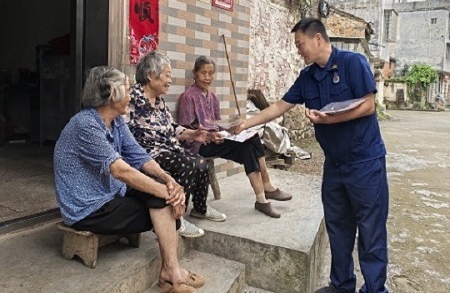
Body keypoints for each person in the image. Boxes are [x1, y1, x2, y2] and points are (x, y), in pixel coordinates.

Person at [229, 18, 389, 293]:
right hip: (335, 166)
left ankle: (375, 289)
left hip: (365, 162)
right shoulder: (307, 77)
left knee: (371, 230)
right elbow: (280, 105)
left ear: (317, 39)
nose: (298, 50)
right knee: (338, 227)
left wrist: (329, 120)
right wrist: (247, 123)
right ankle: (341, 286)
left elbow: (368, 106)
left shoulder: (353, 63)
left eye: (300, 44)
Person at [54, 66, 204, 293]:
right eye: (126, 89)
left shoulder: (116, 122)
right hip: (87, 207)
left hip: (112, 192)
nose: (131, 94)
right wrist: (165, 192)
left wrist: (167, 180)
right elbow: (121, 171)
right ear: (111, 93)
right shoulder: (85, 124)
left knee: (163, 197)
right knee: (162, 205)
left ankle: (170, 273)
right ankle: (172, 274)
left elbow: (138, 156)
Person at [126, 51, 226, 238]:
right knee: (188, 164)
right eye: (167, 75)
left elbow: (172, 128)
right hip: (148, 153)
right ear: (150, 75)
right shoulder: (131, 99)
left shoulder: (160, 102)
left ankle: (200, 208)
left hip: (167, 148)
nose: (170, 80)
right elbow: (122, 132)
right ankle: (176, 219)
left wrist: (193, 134)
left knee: (201, 161)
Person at [177, 56, 292, 219]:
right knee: (247, 146)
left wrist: (231, 127)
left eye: (211, 73)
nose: (207, 77)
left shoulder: (213, 97)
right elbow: (185, 129)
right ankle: (264, 193)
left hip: (216, 138)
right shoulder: (188, 97)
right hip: (199, 144)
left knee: (251, 138)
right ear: (194, 74)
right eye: (203, 73)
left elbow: (216, 123)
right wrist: (207, 134)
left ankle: (263, 194)